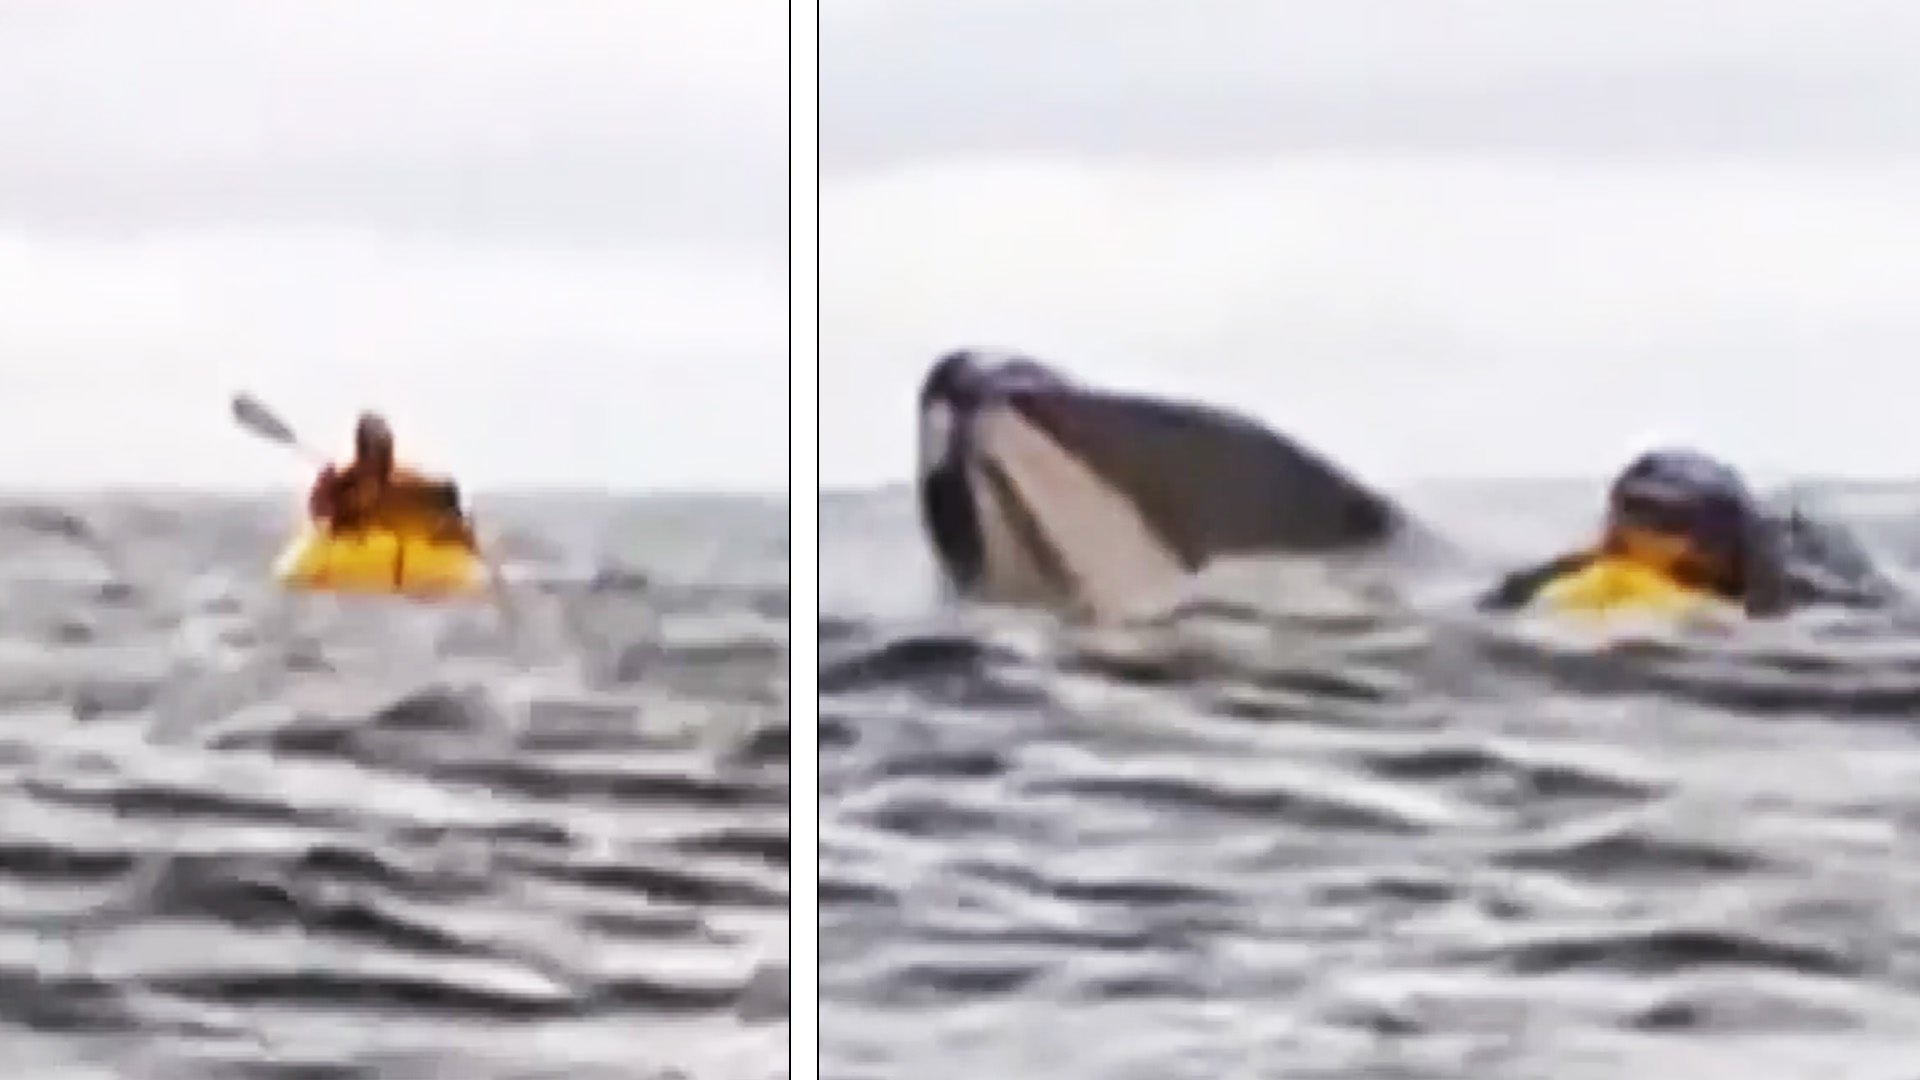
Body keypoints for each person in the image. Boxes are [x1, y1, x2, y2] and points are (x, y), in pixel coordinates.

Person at [1477, 447, 1900, 617]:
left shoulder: (1793, 583)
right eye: (1631, 512)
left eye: (1665, 520)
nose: (1641, 533)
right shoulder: (1605, 556)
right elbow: (1503, 596)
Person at [308, 411, 475, 548]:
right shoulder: (343, 484)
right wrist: (324, 487)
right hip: (357, 543)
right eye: (370, 450)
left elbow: (448, 492)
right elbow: (321, 514)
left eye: (380, 451)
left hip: (414, 534)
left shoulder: (405, 485)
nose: (376, 460)